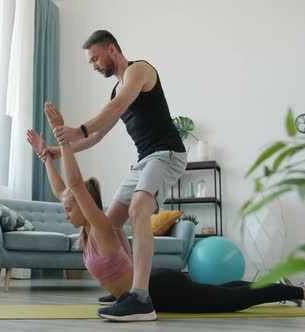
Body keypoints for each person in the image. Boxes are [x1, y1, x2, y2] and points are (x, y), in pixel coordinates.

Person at [27, 106, 305, 322]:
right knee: (229, 292)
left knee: (237, 301)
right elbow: (63, 190)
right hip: (156, 286)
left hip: (162, 290)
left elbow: (73, 185)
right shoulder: (87, 229)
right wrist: (45, 157)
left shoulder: (99, 228)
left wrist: (63, 139)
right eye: (66, 208)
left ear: (84, 207)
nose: (65, 212)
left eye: (69, 209)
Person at [39, 30, 187, 321]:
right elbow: (96, 137)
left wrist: (76, 129)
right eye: (90, 61)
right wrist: (62, 148)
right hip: (145, 160)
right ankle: (130, 288)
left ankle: (141, 299)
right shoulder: (115, 89)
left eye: (95, 58)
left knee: (138, 209)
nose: (94, 65)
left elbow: (115, 108)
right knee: (111, 221)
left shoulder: (139, 71)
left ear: (111, 49)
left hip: (167, 154)